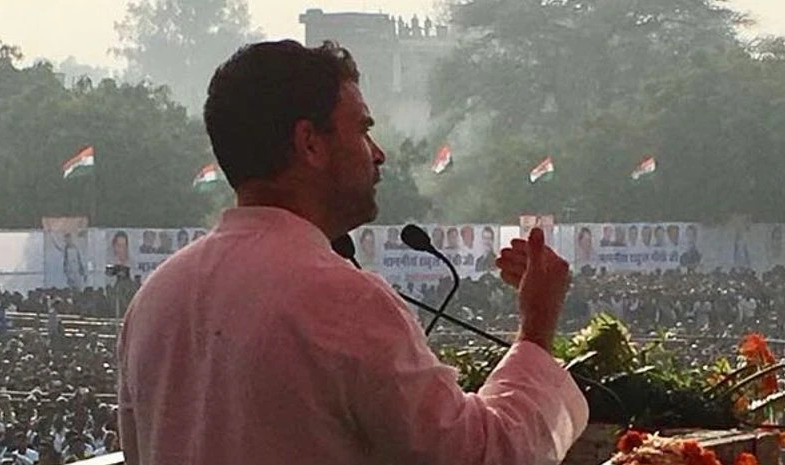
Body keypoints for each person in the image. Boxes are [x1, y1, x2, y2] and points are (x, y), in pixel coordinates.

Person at [118, 40, 587, 465]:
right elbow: (481, 455)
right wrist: (537, 327)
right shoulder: (342, 299)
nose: (377, 153)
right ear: (310, 143)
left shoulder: (156, 298)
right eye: (363, 129)